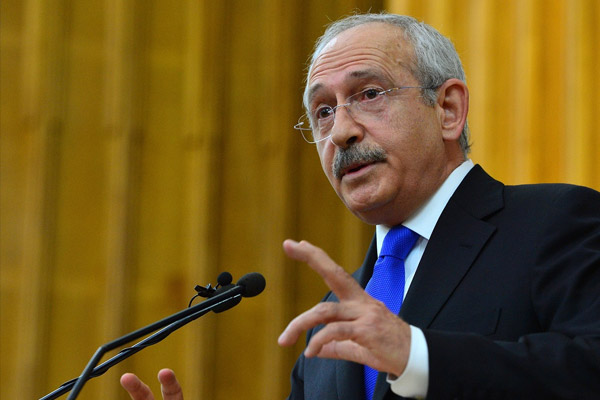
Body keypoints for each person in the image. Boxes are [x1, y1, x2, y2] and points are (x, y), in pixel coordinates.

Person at [120, 13, 600, 400]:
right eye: (323, 111)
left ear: (448, 110)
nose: (341, 132)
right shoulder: (330, 323)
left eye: (369, 94)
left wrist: (415, 355)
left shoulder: (556, 223)